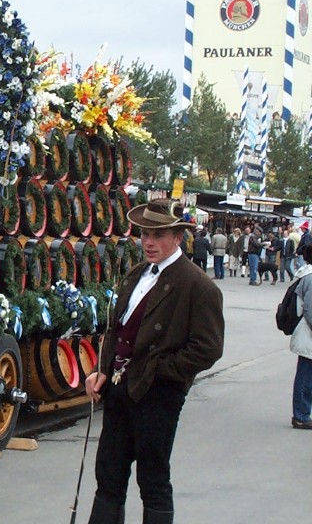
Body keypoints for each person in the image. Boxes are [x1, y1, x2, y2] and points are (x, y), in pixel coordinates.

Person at [85, 198, 224, 524]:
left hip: (158, 395)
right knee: (108, 474)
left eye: (159, 235)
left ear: (178, 237)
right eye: (145, 233)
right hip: (119, 390)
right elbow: (115, 329)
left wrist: (161, 371)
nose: (149, 242)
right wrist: (101, 372)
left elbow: (208, 348)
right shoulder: (137, 274)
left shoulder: (197, 285)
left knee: (153, 479)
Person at [291, 244, 312, 430]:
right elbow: (310, 309)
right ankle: (301, 415)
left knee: (306, 376)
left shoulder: (305, 274)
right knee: (305, 377)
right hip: (308, 333)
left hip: (306, 332)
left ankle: (303, 413)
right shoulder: (311, 278)